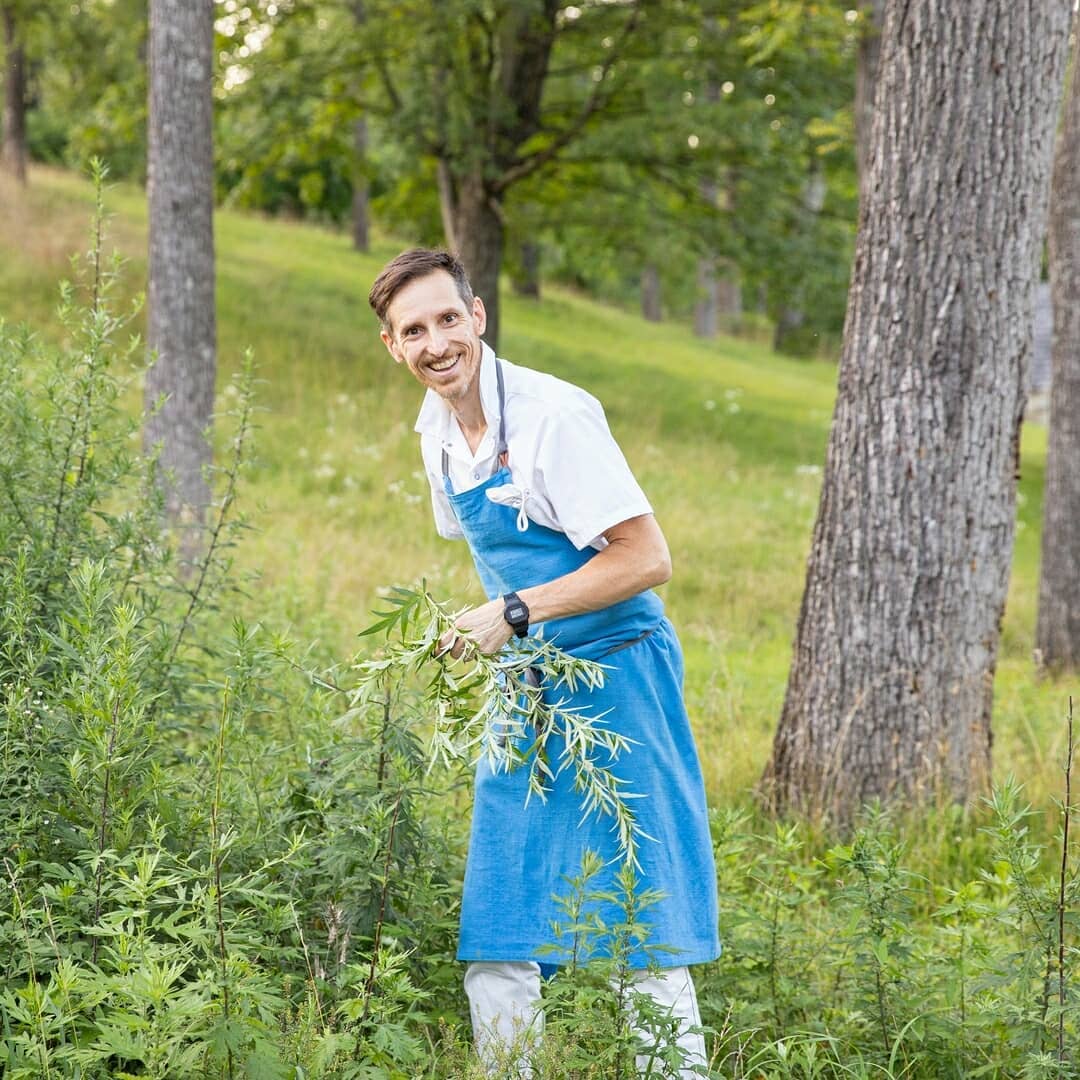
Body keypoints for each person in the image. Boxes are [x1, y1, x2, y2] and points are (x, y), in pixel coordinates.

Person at [368, 248, 720, 1075]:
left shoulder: (553, 417)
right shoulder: (435, 434)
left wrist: (516, 612)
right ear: (392, 345)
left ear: (478, 315)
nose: (435, 344)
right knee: (501, 919)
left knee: (640, 918)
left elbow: (646, 558)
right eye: (413, 331)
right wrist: (486, 626)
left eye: (447, 319)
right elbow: (500, 556)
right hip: (528, 687)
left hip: (620, 676)